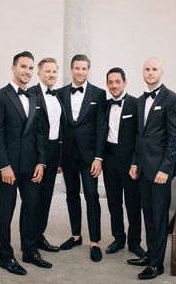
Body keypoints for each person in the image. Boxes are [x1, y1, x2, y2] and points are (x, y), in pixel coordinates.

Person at [0, 51, 52, 276]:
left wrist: (41, 163)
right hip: (9, 167)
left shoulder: (34, 98)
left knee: (32, 208)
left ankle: (30, 250)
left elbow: (40, 134)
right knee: (6, 210)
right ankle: (6, 257)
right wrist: (4, 166)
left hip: (31, 165)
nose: (28, 72)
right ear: (13, 68)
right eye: (23, 67)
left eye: (31, 68)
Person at [127, 57, 176, 280]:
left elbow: (174, 139)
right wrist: (134, 162)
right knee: (148, 215)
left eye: (154, 69)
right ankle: (150, 254)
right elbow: (138, 137)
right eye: (147, 69)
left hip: (160, 171)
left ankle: (156, 265)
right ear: (143, 72)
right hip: (142, 169)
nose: (150, 72)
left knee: (159, 218)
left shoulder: (172, 100)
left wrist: (165, 169)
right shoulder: (140, 100)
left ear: (162, 72)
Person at [58, 54, 107, 262]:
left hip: (89, 157)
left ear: (88, 70)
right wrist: (58, 158)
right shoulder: (60, 93)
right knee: (71, 195)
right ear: (71, 69)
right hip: (68, 156)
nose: (80, 72)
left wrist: (98, 157)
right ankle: (76, 235)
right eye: (77, 68)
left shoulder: (99, 93)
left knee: (91, 195)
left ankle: (94, 241)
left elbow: (101, 127)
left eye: (84, 68)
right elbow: (58, 126)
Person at [20, 57, 66, 253]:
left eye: (54, 71)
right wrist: (39, 158)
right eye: (47, 71)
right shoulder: (30, 94)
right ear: (39, 73)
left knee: (46, 198)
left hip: (54, 151)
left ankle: (39, 237)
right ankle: (27, 244)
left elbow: (61, 128)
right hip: (35, 154)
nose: (52, 75)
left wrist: (59, 159)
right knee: (32, 201)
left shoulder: (58, 96)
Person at [103, 67, 145, 258]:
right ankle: (118, 238)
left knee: (133, 203)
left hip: (130, 162)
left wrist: (135, 163)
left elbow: (139, 137)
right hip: (109, 158)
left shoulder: (136, 105)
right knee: (113, 202)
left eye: (117, 82)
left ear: (125, 82)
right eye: (110, 82)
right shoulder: (104, 105)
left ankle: (134, 242)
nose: (114, 85)